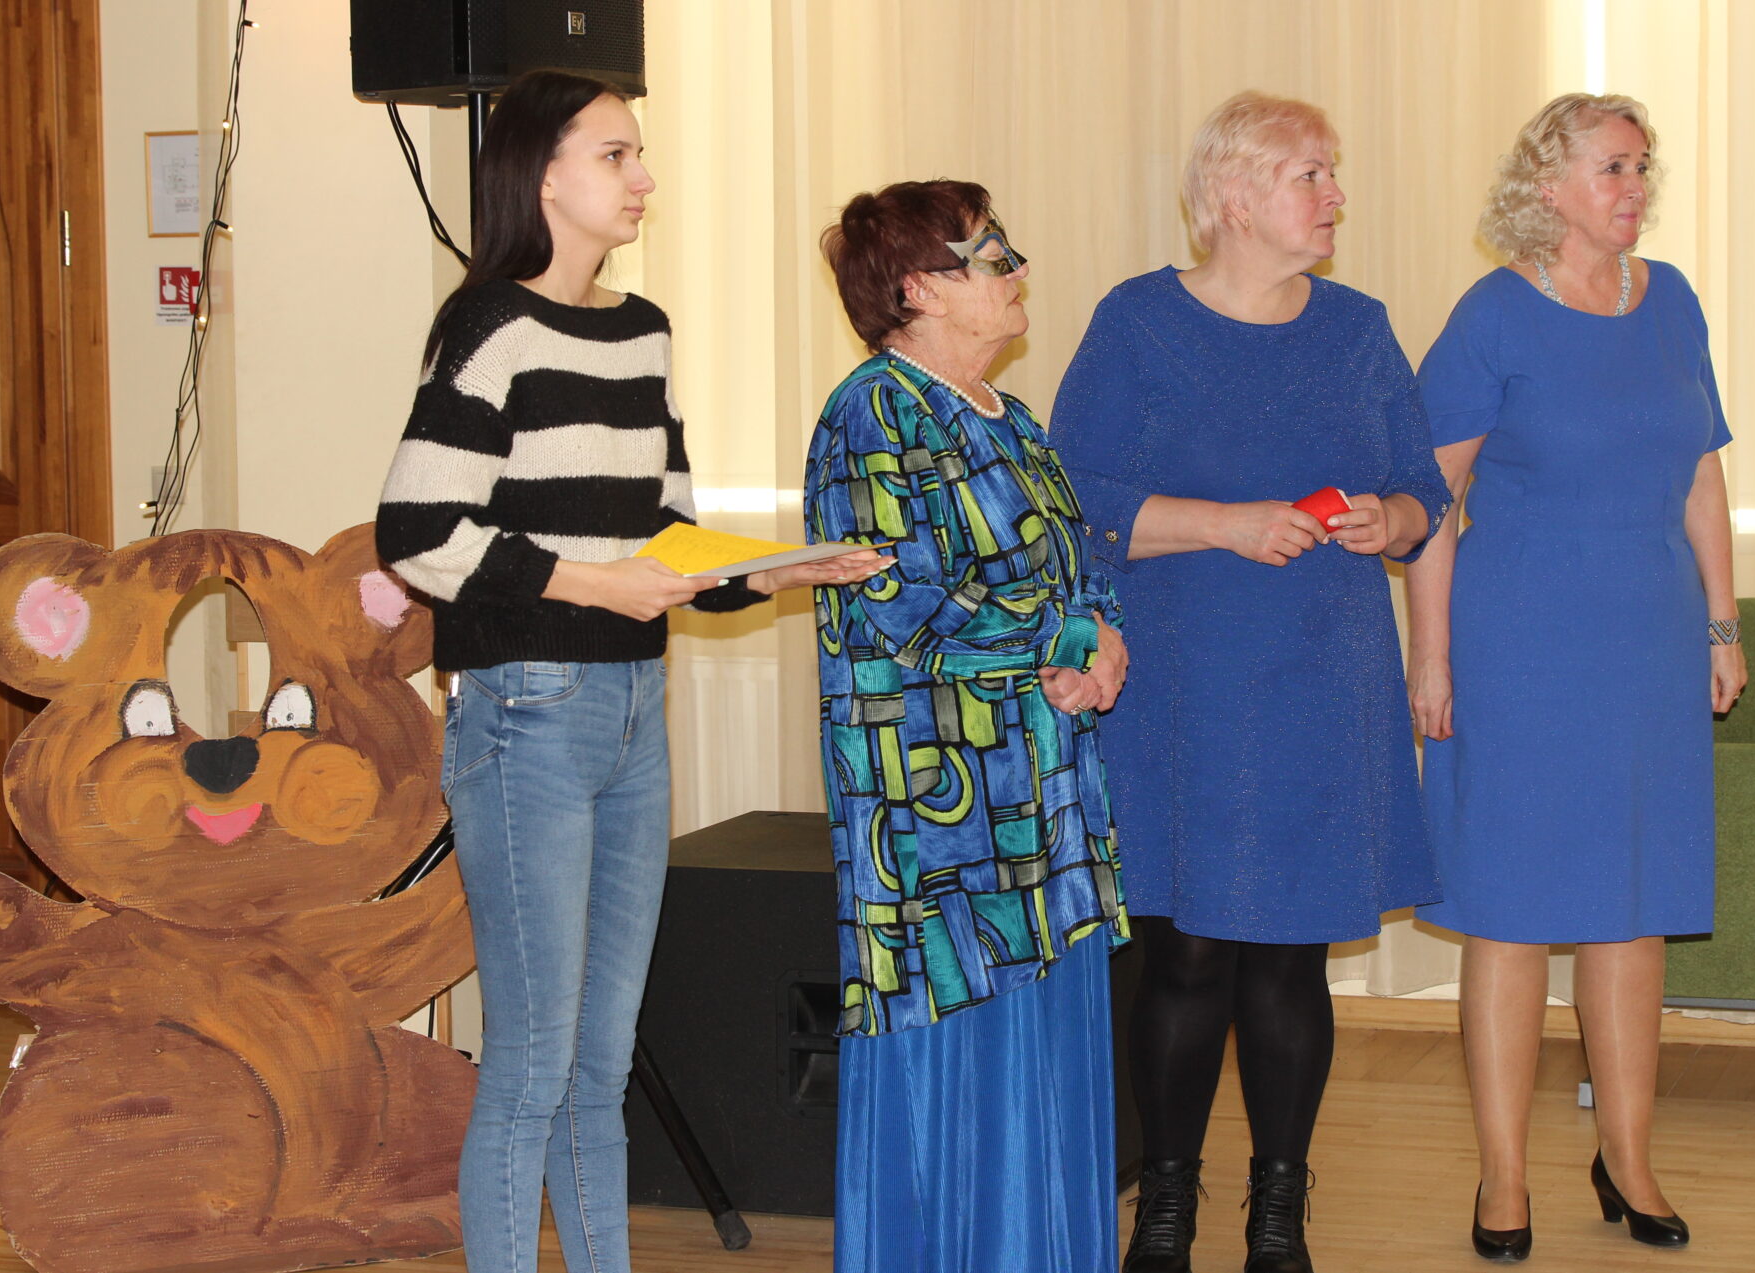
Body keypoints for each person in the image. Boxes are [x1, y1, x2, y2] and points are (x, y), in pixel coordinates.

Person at [374, 70, 887, 1273]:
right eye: (616, 155)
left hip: (630, 715)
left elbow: (670, 543)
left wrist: (784, 571)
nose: (643, 177)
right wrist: (595, 585)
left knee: (599, 1063)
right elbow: (418, 531)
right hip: (526, 715)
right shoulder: (490, 326)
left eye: (639, 154)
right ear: (544, 174)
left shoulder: (641, 330)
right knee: (532, 1062)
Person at [1053, 92, 1450, 1273]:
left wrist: (1390, 517)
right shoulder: (1137, 322)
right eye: (1309, 175)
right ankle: (1166, 1204)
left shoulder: (1359, 328)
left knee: (1289, 956)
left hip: (1324, 684)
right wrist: (1224, 523)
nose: (1335, 196)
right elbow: (1075, 498)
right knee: (1184, 954)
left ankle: (1280, 1208)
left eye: (1333, 173)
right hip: (1181, 690)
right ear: (1232, 196)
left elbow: (1426, 489)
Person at [1405, 92, 1745, 1261]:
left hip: (1648, 645)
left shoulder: (1673, 302)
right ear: (1546, 186)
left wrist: (1723, 624)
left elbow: (1701, 473)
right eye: (1612, 167)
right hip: (1519, 651)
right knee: (1508, 916)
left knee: (1631, 911)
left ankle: (1628, 1156)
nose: (1635, 187)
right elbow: (1429, 504)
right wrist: (1432, 659)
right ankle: (1504, 1176)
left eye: (1642, 167)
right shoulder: (1492, 316)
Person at [804, 179, 1130, 1273]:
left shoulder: (1012, 417)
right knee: (962, 1071)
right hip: (939, 818)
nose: (1018, 269)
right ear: (919, 290)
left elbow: (1076, 570)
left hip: (1043, 801)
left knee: (1046, 1065)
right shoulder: (872, 413)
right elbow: (899, 601)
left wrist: (1102, 642)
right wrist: (1064, 641)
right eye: (993, 255)